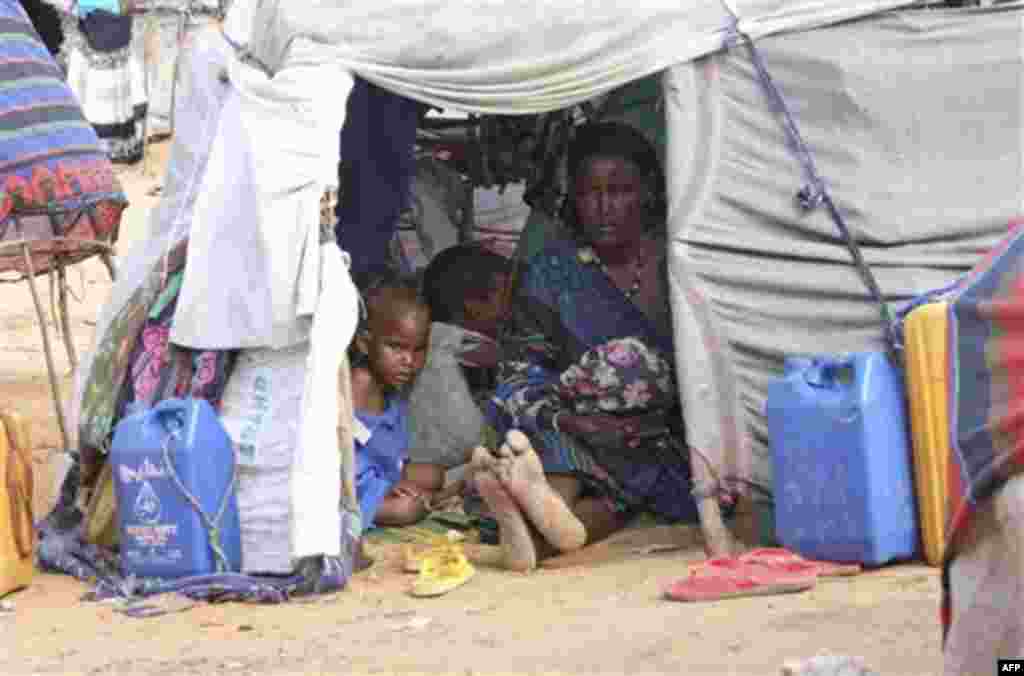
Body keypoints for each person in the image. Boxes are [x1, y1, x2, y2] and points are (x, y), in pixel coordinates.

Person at [471, 121, 700, 571]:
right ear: (573, 198)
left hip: (662, 436)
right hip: (578, 428)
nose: (603, 207)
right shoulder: (553, 274)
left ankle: (535, 536)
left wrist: (657, 422)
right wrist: (575, 421)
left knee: (634, 474)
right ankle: (543, 514)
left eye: (619, 191)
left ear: (648, 193)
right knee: (551, 451)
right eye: (589, 193)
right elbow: (518, 374)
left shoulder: (683, 264)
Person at [398, 244, 514, 511]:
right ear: (473, 306)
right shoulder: (449, 353)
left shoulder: (439, 344)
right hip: (439, 473)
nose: (512, 306)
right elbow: (467, 444)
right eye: (506, 295)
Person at [349, 274, 432, 541]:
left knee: (435, 475)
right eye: (396, 347)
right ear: (364, 342)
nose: (408, 360)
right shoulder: (359, 385)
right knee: (407, 509)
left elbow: (387, 452)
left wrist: (394, 481)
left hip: (381, 478)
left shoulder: (389, 386)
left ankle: (430, 497)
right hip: (348, 490)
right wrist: (385, 489)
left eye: (418, 349)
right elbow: (346, 465)